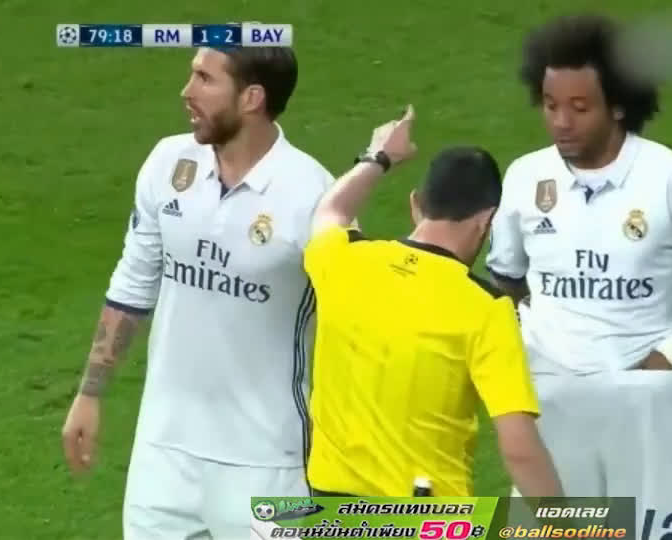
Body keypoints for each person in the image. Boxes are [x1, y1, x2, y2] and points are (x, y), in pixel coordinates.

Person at [486, 14, 672, 539]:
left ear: (617, 104)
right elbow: (505, 278)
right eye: (550, 105)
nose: (561, 122)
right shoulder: (525, 177)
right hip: (550, 401)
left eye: (579, 107)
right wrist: (526, 341)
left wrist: (669, 355)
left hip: (644, 401)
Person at [60, 46, 335, 540]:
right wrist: (90, 393)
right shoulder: (170, 162)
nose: (186, 92)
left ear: (251, 98)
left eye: (205, 80)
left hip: (266, 459)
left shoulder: (313, 196)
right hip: (163, 452)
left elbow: (351, 324)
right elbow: (133, 282)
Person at [302, 105, 563, 497]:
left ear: (415, 205)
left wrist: (379, 157)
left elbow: (331, 210)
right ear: (486, 220)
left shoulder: (342, 261)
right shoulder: (486, 308)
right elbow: (519, 449)